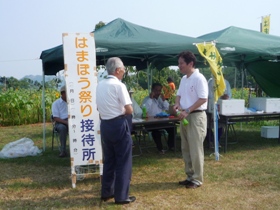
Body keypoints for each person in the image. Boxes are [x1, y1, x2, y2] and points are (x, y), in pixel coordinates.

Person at [96, 57, 136, 205]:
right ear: (118, 70)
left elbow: (98, 108)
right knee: (124, 161)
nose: (124, 72)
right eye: (124, 69)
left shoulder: (99, 85)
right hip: (118, 123)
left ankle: (107, 192)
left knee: (109, 160)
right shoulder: (119, 86)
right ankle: (121, 196)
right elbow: (129, 109)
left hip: (105, 124)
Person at [174, 51, 208, 189]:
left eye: (181, 63)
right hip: (185, 116)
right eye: (179, 63)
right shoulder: (184, 79)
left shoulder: (199, 78)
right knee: (186, 148)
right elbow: (179, 95)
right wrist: (177, 104)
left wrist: (188, 110)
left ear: (190, 63)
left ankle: (197, 179)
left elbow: (203, 98)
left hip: (196, 116)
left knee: (195, 149)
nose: (179, 66)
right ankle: (190, 175)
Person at [142, 83, 175, 154]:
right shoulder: (147, 99)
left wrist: (164, 100)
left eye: (159, 91)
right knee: (156, 131)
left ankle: (171, 146)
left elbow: (167, 108)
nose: (157, 93)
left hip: (160, 120)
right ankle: (160, 149)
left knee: (172, 128)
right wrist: (151, 99)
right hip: (150, 122)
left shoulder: (159, 99)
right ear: (152, 90)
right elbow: (145, 109)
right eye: (156, 90)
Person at [207, 77, 232, 146]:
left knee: (221, 124)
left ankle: (216, 140)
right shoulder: (210, 82)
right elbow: (209, 95)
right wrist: (220, 97)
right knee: (208, 125)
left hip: (222, 107)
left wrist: (226, 97)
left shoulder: (226, 82)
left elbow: (229, 94)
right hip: (211, 107)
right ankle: (211, 140)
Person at [51, 85, 68, 158]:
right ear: (63, 93)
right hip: (60, 122)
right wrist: (66, 122)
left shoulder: (72, 102)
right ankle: (63, 150)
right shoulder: (56, 103)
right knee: (62, 128)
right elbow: (55, 118)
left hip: (71, 120)